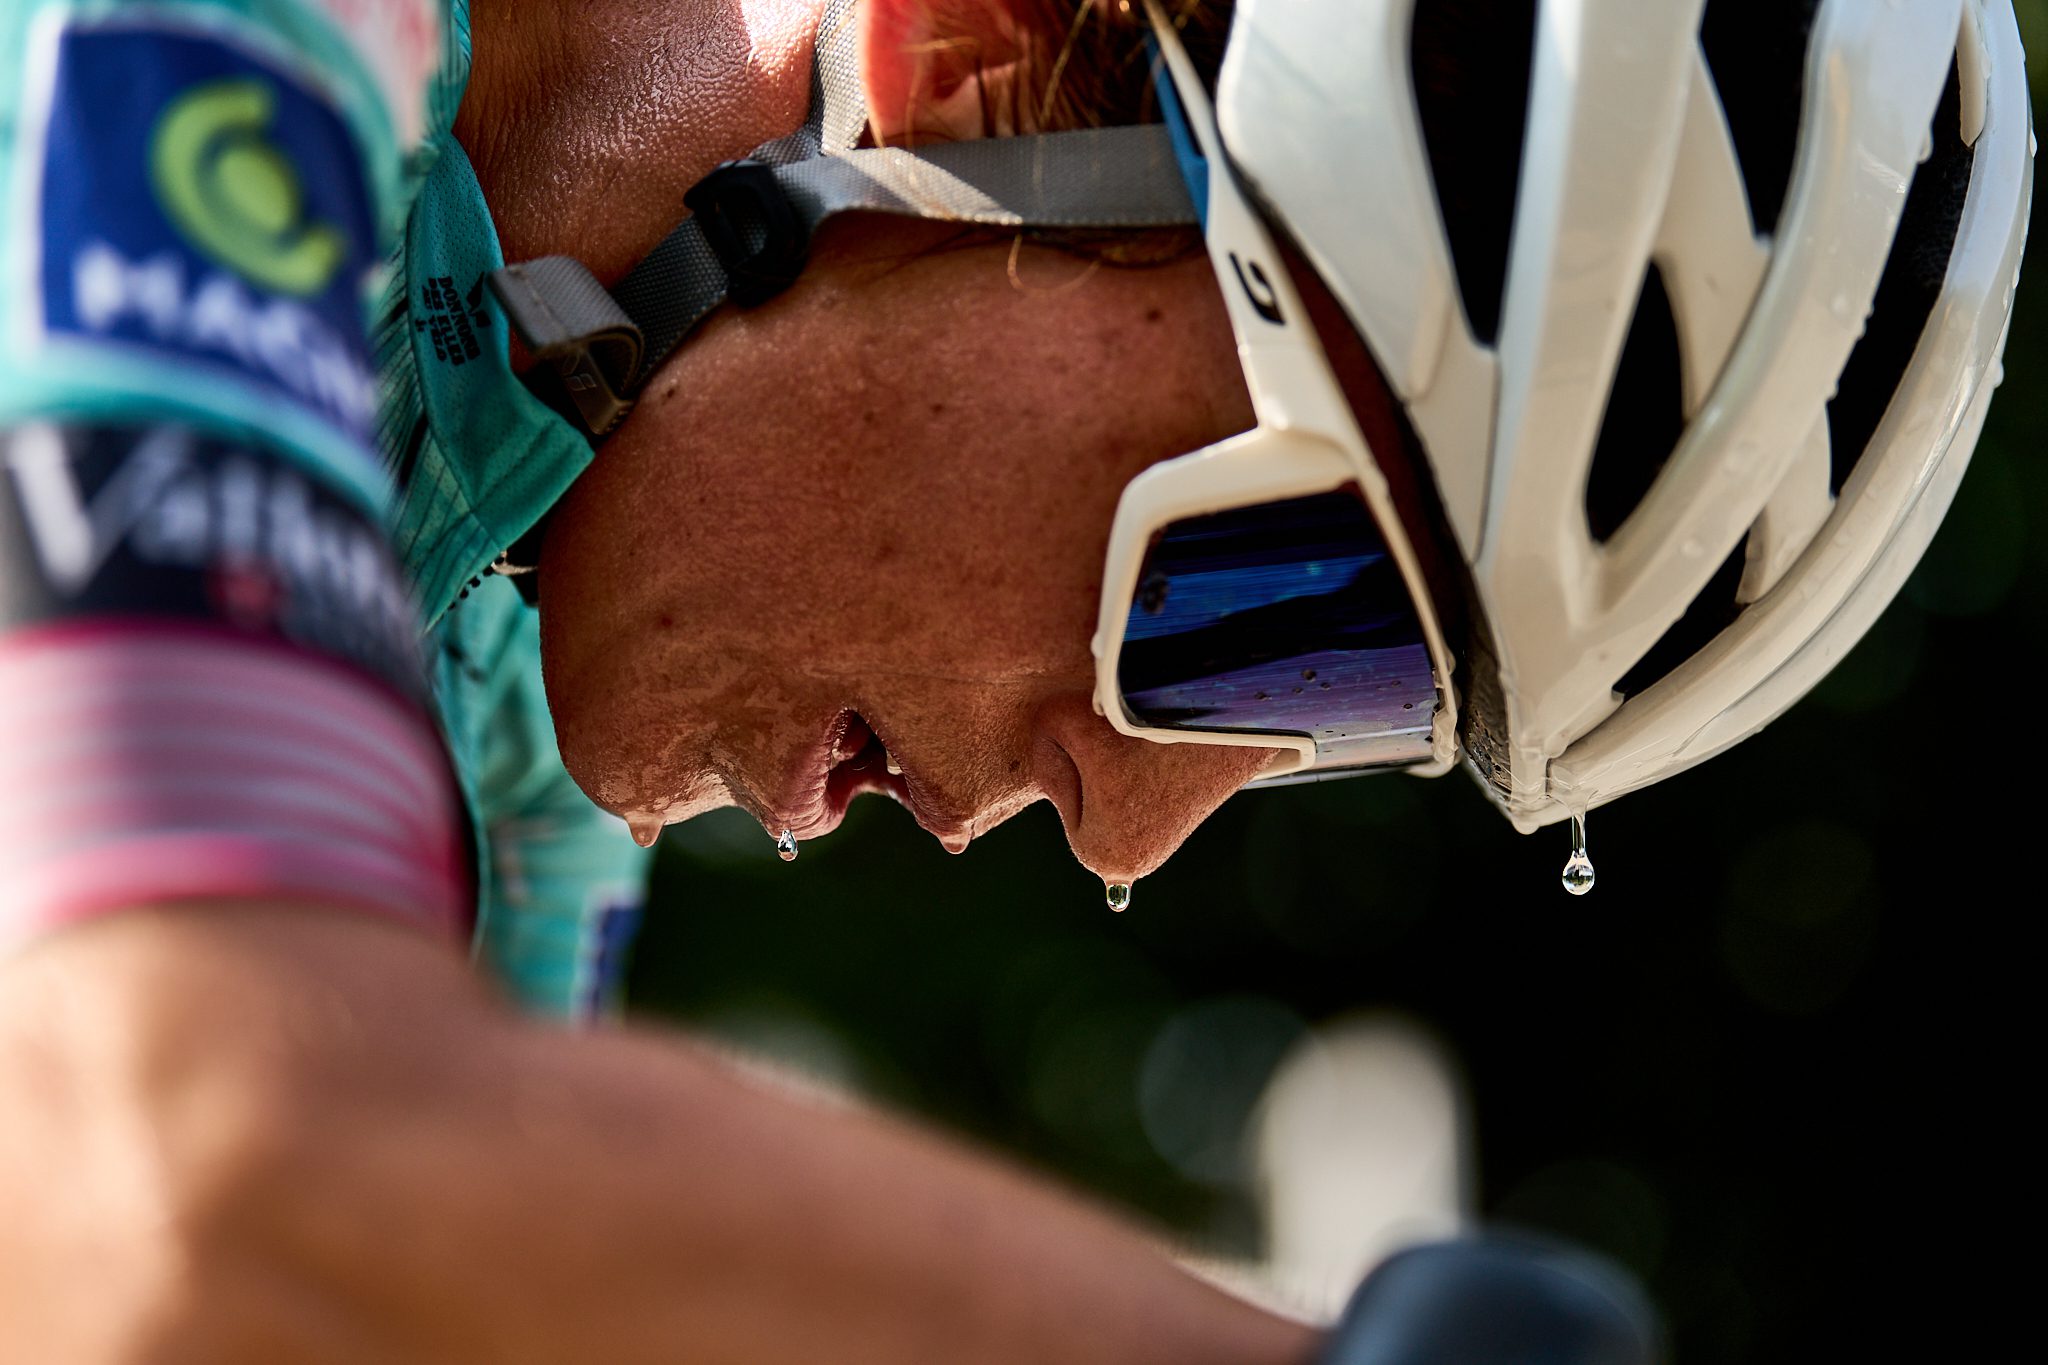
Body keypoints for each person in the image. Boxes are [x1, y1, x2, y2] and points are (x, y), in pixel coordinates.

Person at [0, 0, 2027, 1358]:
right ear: (972, 57)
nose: (1128, 811)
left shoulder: (498, 704)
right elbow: (182, 1169)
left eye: (1322, 711)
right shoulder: (198, 40)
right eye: (1275, 593)